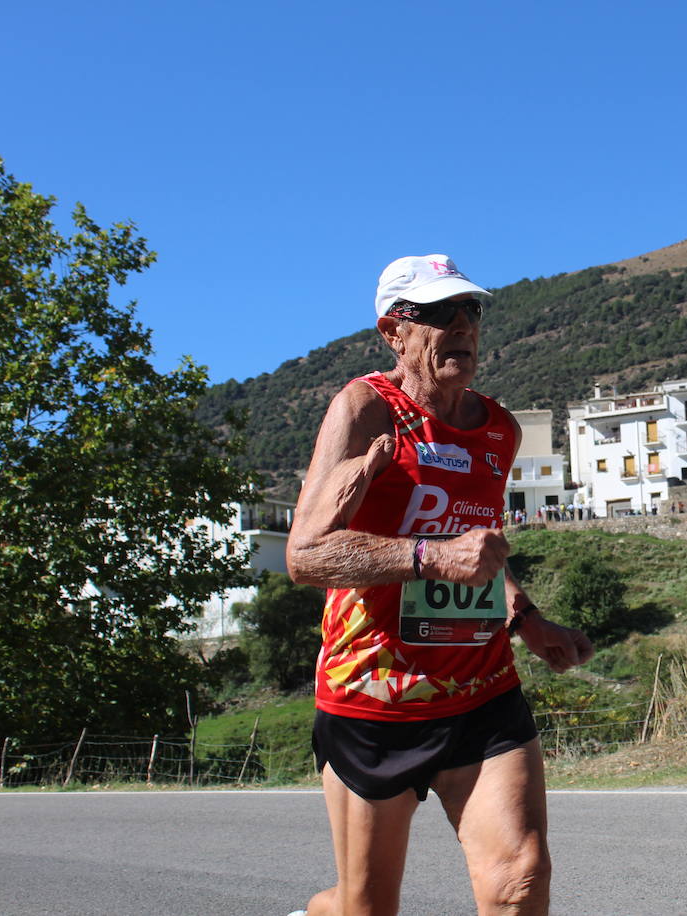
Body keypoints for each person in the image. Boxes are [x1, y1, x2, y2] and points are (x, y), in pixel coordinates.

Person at [285, 253, 594, 916]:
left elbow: (475, 550)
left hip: (479, 690)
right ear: (393, 330)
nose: (461, 324)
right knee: (364, 907)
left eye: (471, 310)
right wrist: (429, 558)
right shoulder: (366, 410)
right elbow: (306, 557)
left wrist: (527, 621)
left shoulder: (498, 429)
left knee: (521, 877)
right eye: (437, 313)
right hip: (375, 696)